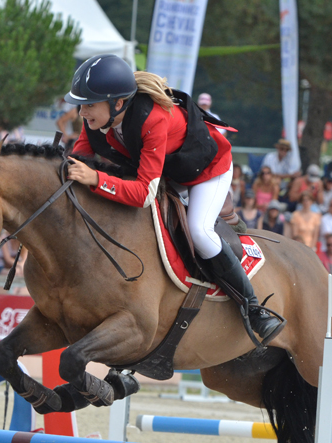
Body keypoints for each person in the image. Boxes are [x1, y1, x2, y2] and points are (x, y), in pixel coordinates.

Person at [64, 54, 284, 340]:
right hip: (167, 172)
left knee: (199, 232)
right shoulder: (96, 118)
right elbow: (76, 161)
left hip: (207, 171)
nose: (82, 113)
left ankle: (254, 310)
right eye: (81, 105)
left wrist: (96, 179)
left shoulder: (152, 119)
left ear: (117, 103)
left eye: (89, 105)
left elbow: (144, 193)